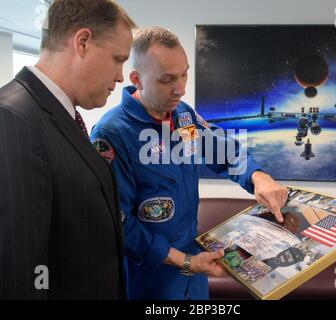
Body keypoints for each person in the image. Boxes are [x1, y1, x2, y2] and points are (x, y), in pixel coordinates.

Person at [90, 26, 288, 300]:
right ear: (137, 79)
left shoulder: (182, 117)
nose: (180, 89)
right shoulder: (112, 135)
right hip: (148, 279)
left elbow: (220, 150)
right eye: (167, 79)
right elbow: (117, 223)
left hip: (193, 272)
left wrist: (257, 176)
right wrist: (183, 261)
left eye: (184, 74)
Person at [0, 0, 135, 299]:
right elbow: (21, 274)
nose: (120, 76)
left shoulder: (58, 116)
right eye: (117, 59)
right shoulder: (12, 118)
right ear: (83, 42)